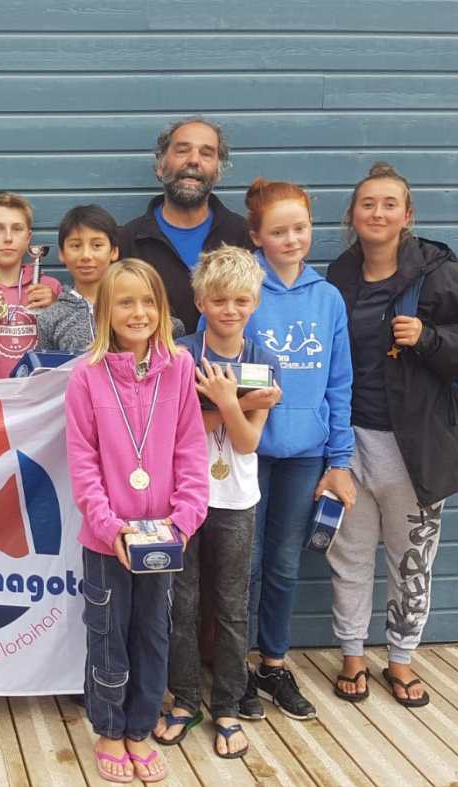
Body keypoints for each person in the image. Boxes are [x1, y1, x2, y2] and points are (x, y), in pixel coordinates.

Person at [324, 162, 458, 707]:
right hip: (349, 441)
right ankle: (352, 654)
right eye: (367, 204)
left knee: (411, 561)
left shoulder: (439, 274)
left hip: (416, 447)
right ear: (352, 215)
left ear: (408, 215)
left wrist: (428, 337)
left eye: (389, 204)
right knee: (348, 556)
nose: (377, 213)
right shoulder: (340, 274)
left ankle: (401, 659)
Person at [65, 259, 208, 783]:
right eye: (125, 302)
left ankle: (140, 728)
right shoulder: (85, 375)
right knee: (107, 634)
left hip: (164, 537)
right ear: (105, 310)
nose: (138, 312)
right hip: (109, 540)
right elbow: (82, 462)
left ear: (163, 309)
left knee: (153, 633)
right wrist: (110, 527)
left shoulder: (181, 367)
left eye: (148, 301)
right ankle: (109, 729)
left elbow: (191, 449)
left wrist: (184, 521)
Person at [157, 246, 280, 759]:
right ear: (201, 302)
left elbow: (248, 442)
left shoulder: (263, 359)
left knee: (230, 606)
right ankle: (185, 700)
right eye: (220, 299)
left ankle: (227, 705)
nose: (230, 309)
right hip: (181, 498)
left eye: (241, 300)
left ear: (255, 303)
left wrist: (227, 403)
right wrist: (239, 404)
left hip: (236, 499)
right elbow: (171, 430)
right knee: (180, 604)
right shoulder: (181, 353)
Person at [240, 177, 355, 722]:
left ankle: (273, 664)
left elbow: (339, 383)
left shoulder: (327, 297)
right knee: (245, 564)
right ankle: (235, 667)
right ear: (256, 236)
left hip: (306, 454)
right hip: (248, 451)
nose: (291, 240)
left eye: (300, 229)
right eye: (279, 231)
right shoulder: (242, 289)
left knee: (285, 563)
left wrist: (340, 460)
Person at [118, 116, 251, 334]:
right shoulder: (128, 241)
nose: (193, 160)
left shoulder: (243, 238)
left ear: (218, 172)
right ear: (160, 166)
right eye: (182, 150)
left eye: (206, 153)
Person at [0, 191, 61, 378]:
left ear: (28, 237)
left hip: (41, 394)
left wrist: (56, 310)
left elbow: (67, 352)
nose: (8, 238)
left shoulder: (49, 288)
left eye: (17, 229)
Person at [37, 205, 121, 353]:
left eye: (97, 245)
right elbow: (47, 366)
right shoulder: (50, 317)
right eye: (76, 246)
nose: (86, 256)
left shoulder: (132, 304)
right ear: (62, 253)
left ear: (114, 251)